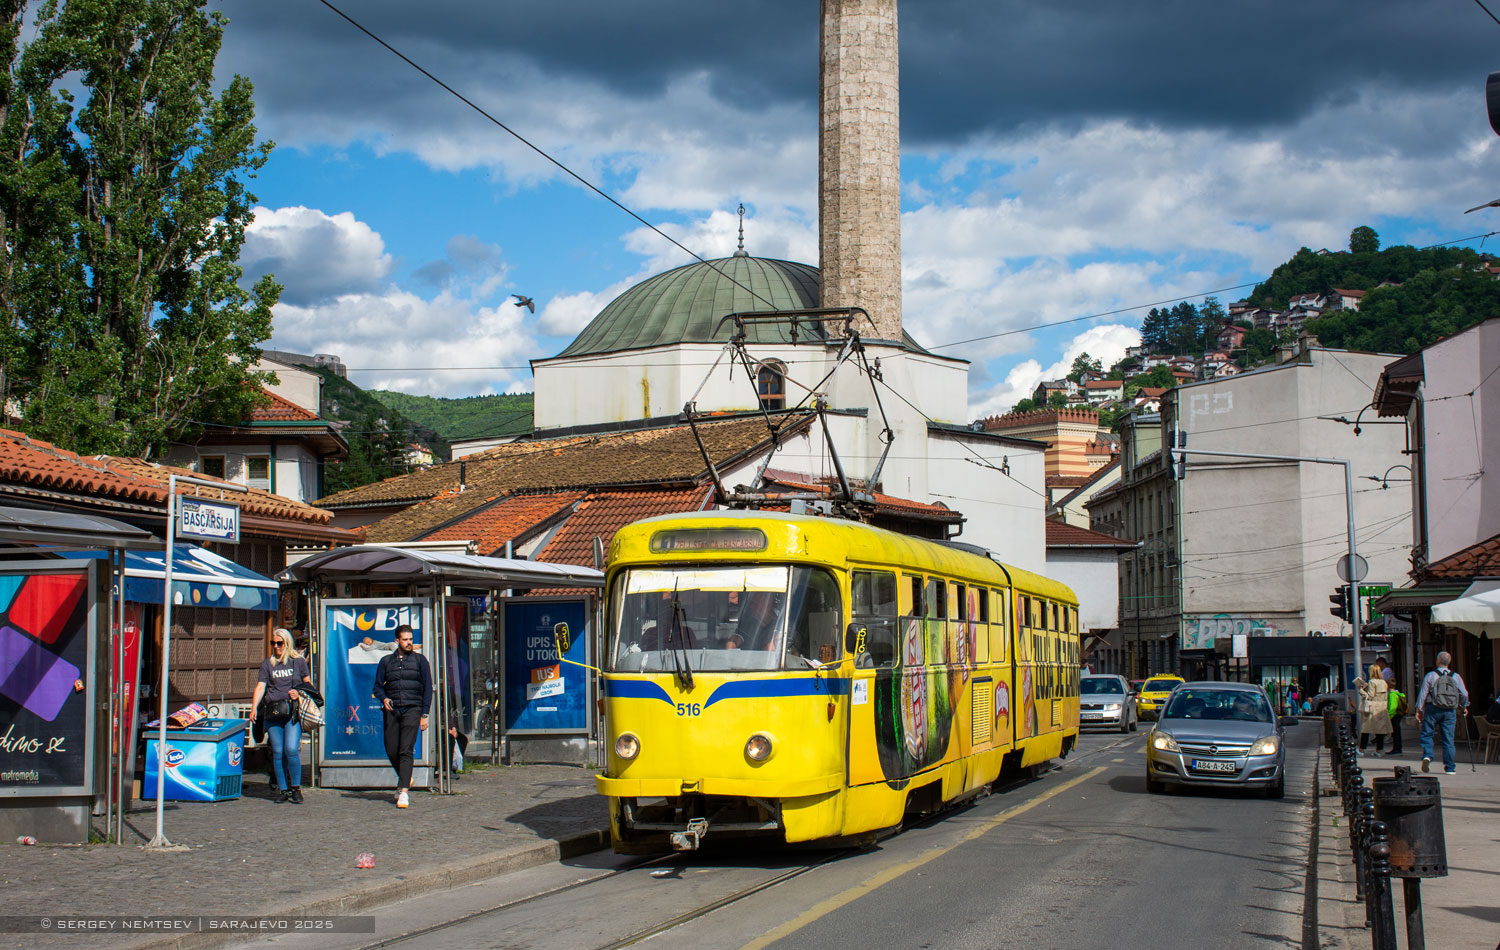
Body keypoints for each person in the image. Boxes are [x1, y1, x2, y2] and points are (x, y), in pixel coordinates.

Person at [249, 628, 312, 804]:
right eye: (273, 643)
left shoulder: (297, 662)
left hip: (292, 711)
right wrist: (254, 707)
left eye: (279, 643)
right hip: (273, 712)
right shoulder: (268, 664)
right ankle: (283, 789)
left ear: (287, 643)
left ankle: (296, 788)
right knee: (277, 751)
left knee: (291, 749)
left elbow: (308, 684)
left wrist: (299, 693)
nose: (276, 646)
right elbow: (261, 686)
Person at [373, 623, 432, 808]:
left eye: (411, 640)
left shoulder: (420, 661)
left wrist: (425, 714)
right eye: (405, 640)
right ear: (396, 641)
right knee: (391, 749)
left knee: (406, 749)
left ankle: (404, 791)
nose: (409, 643)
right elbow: (377, 687)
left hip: (413, 709)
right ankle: (406, 778)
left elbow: (428, 688)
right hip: (392, 710)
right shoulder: (386, 662)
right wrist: (383, 698)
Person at [1415, 651, 1470, 775]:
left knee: (1427, 733)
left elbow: (1423, 693)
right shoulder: (1456, 676)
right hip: (1450, 710)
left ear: (1438, 661)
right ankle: (1450, 768)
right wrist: (1463, 706)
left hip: (1432, 708)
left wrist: (1419, 709)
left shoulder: (1431, 675)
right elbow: (1464, 694)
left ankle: (1428, 756)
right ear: (1449, 662)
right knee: (1448, 739)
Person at [1355, 664, 1392, 755]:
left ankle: (1362, 749)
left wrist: (1361, 690)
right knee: (1380, 730)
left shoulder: (1372, 682)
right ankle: (1379, 749)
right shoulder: (1384, 682)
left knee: (1366, 729)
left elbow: (1370, 696)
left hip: (1372, 707)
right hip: (1382, 707)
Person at [1377, 658, 1406, 755]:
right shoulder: (1396, 693)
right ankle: (1397, 748)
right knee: (1396, 732)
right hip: (1397, 715)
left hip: (1394, 715)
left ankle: (1397, 749)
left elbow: (1392, 707)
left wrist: (1389, 716)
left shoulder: (1392, 694)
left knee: (1396, 733)